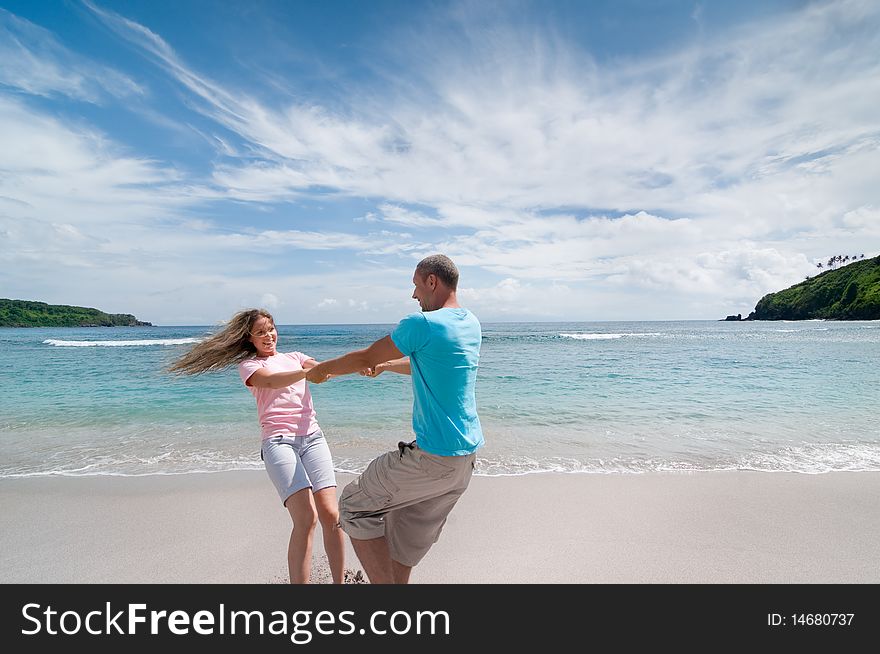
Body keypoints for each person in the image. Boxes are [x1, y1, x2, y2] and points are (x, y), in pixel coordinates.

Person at [306, 254, 483, 584]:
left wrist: (321, 370)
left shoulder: (422, 325)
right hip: (463, 464)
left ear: (432, 282)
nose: (414, 295)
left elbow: (366, 355)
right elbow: (425, 362)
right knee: (399, 544)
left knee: (355, 505)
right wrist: (386, 368)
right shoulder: (469, 322)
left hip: (432, 460)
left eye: (416, 286)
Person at [168, 309, 345, 584]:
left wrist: (362, 365)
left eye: (271, 329)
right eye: (260, 332)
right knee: (306, 518)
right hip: (278, 443)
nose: (268, 336)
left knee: (332, 515)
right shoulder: (249, 367)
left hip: (313, 438)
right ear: (249, 338)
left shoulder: (295, 357)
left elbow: (322, 368)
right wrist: (307, 374)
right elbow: (272, 381)